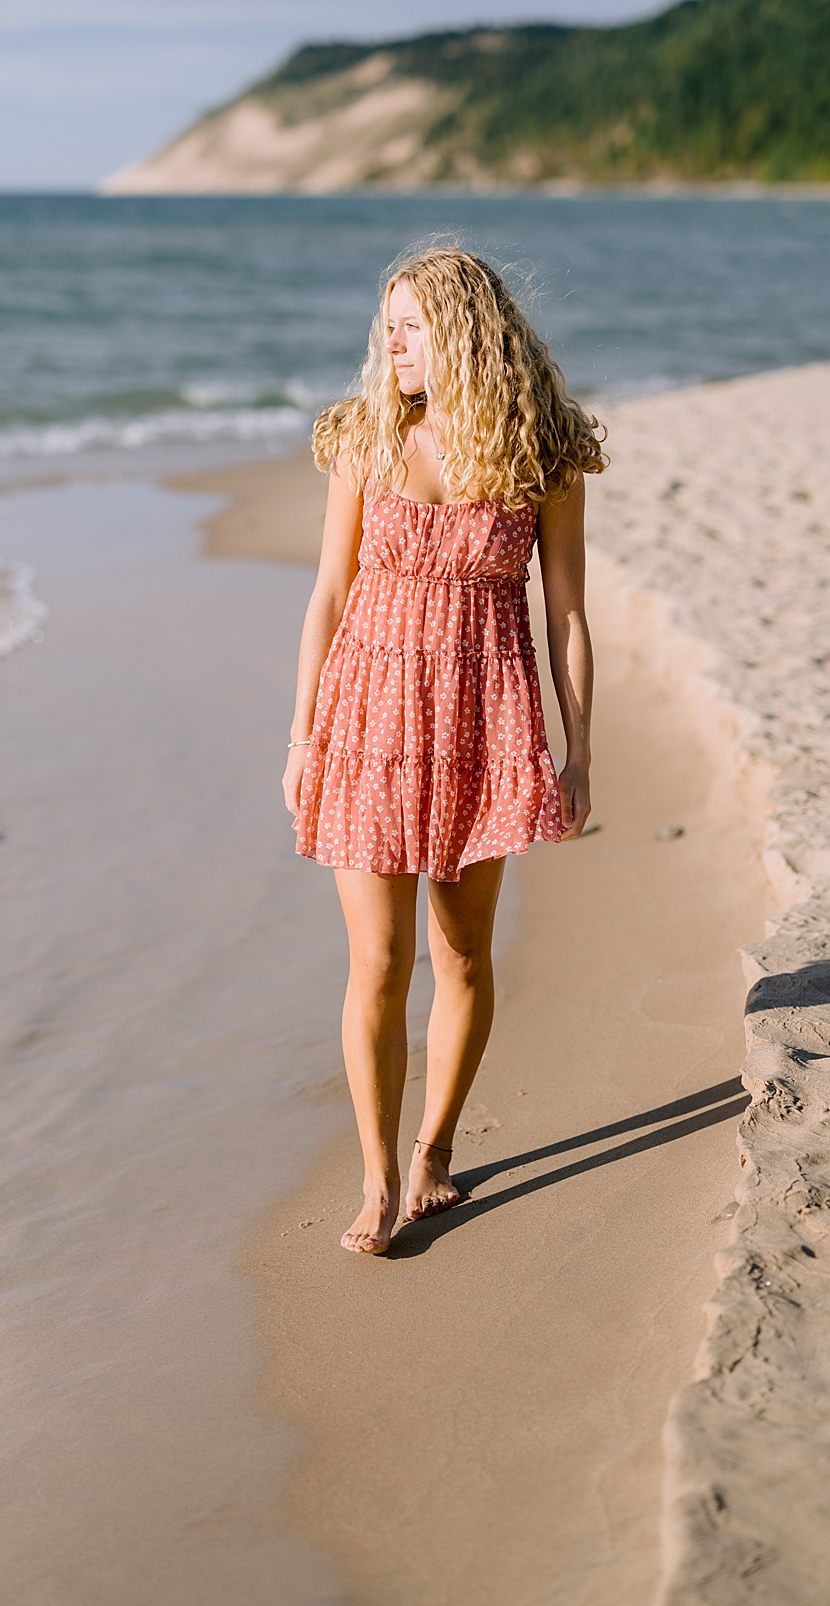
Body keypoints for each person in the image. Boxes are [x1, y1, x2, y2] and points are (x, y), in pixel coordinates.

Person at [282, 245, 605, 1255]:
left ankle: (434, 1149)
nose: (394, 344)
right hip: (368, 719)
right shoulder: (365, 440)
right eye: (389, 326)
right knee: (376, 960)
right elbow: (328, 595)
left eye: (413, 326)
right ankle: (377, 1181)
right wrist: (300, 735)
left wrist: (578, 751)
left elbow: (565, 615)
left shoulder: (538, 455)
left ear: (462, 332)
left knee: (461, 955)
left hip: (481, 719)